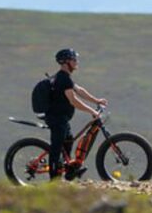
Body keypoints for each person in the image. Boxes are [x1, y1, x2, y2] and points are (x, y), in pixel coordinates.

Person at [46, 48, 108, 180]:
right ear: (66, 62)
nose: (77, 61)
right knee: (56, 149)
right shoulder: (62, 79)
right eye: (74, 59)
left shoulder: (66, 78)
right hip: (56, 119)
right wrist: (92, 111)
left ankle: (69, 170)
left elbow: (79, 90)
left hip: (62, 118)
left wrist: (96, 100)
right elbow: (73, 100)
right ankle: (53, 180)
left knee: (68, 141)